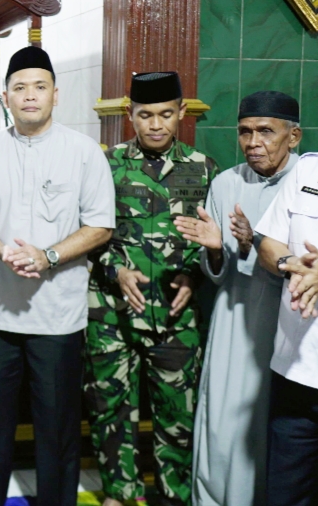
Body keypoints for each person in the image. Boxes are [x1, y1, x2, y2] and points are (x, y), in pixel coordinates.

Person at [0, 46, 115, 506]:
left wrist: (48, 256)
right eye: (20, 88)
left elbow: (100, 225)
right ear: (6, 96)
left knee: (57, 428)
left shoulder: (84, 152)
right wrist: (2, 249)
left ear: (55, 94)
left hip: (58, 316)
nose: (30, 96)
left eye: (39, 87)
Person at [87, 71, 219, 506]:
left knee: (178, 415)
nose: (156, 124)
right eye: (146, 115)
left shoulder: (203, 168)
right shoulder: (107, 166)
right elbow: (89, 234)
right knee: (109, 410)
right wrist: (116, 270)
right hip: (113, 312)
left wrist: (194, 274)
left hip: (176, 315)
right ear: (131, 115)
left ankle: (173, 496)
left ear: (182, 112)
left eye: (166, 114)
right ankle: (118, 493)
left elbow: (212, 239)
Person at [173, 92, 302, 506]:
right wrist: (216, 250)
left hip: (289, 326)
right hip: (233, 321)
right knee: (222, 422)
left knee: (275, 430)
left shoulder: (311, 185)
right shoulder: (226, 182)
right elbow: (218, 271)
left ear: (293, 137)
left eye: (266, 131)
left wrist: (254, 243)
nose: (253, 142)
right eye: (245, 132)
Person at [255, 93, 318, 506]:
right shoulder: (311, 168)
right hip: (294, 374)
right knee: (287, 497)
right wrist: (290, 264)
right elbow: (269, 242)